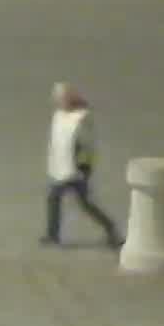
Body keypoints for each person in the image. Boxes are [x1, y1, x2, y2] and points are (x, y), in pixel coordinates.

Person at [43, 83, 119, 248]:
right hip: (60, 168)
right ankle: (52, 235)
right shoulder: (59, 115)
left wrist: (84, 167)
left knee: (81, 203)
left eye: (60, 99)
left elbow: (87, 145)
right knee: (65, 200)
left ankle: (110, 228)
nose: (58, 102)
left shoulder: (82, 118)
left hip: (75, 169)